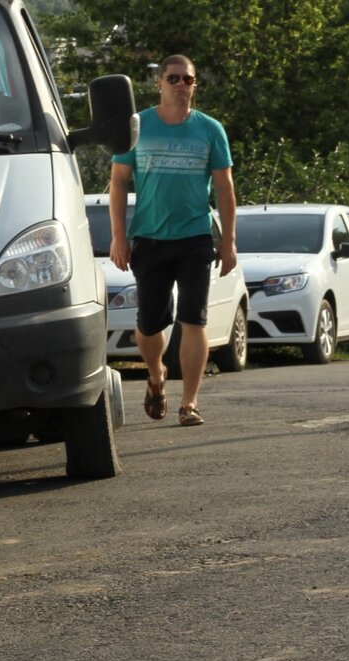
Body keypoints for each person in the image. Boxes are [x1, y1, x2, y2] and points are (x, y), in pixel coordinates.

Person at [108, 53, 236, 428]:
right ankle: (156, 375)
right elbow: (118, 181)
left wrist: (228, 241)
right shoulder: (138, 126)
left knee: (194, 319)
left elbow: (225, 189)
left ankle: (190, 403)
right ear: (159, 83)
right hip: (149, 238)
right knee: (149, 326)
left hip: (195, 237)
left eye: (189, 80)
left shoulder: (210, 129)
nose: (182, 85)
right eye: (174, 78)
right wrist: (119, 237)